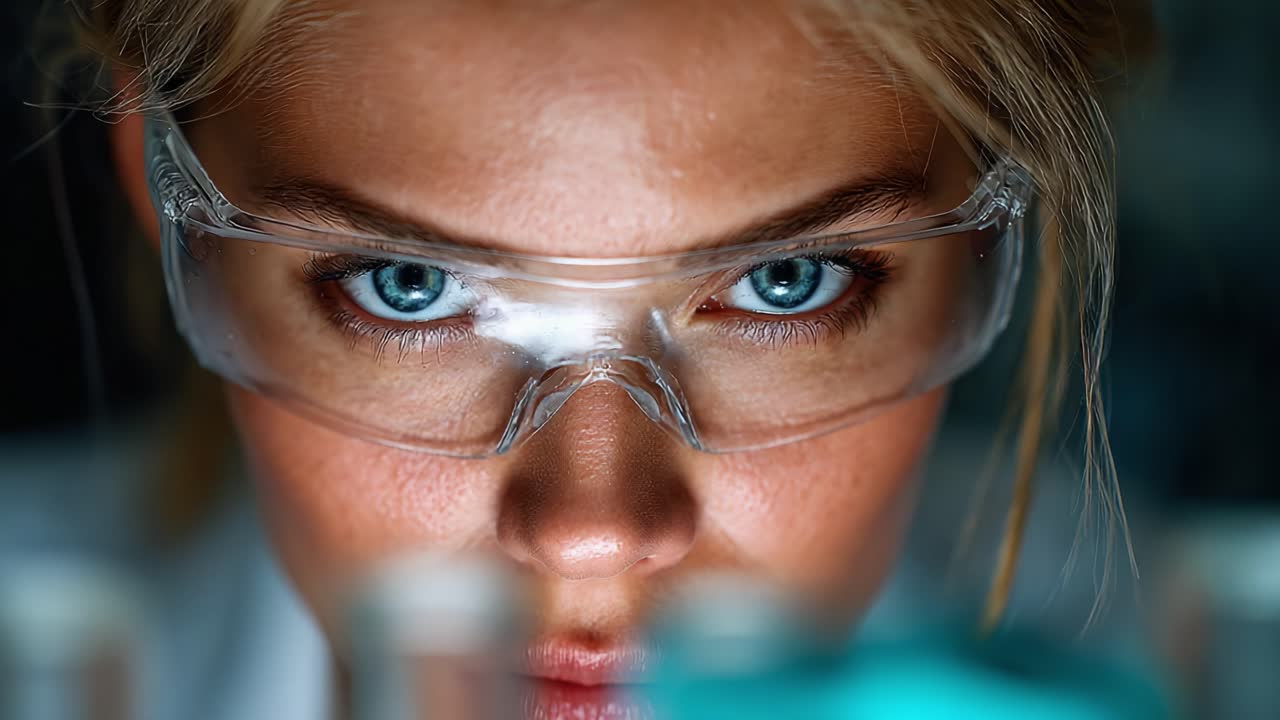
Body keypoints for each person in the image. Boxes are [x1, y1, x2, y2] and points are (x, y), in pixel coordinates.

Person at [66, 0, 1152, 717]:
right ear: (165, 196)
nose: (593, 531)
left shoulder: (1189, 661)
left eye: (790, 283)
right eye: (409, 288)